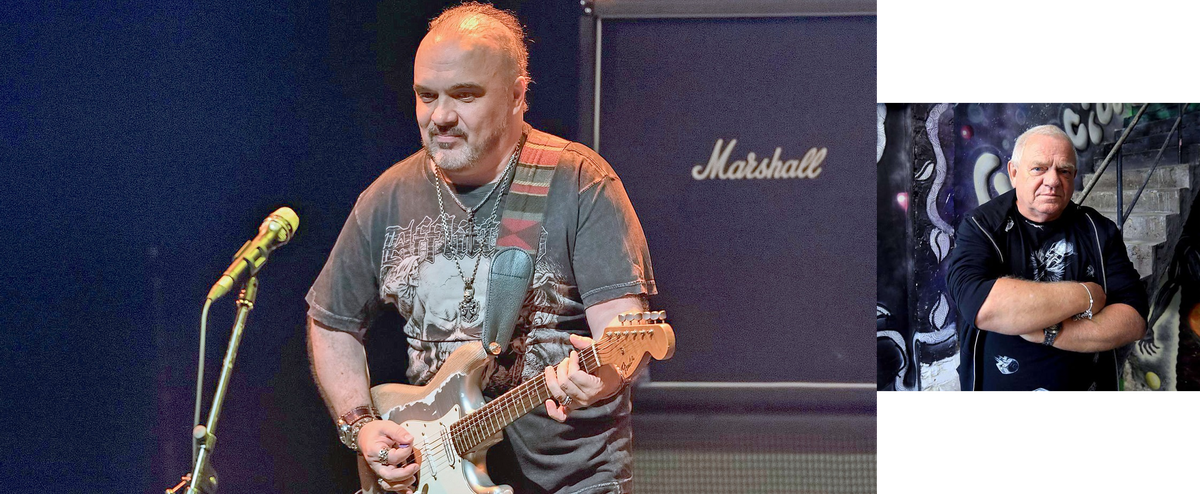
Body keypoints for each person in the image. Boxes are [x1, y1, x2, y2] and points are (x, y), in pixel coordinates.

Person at [305, 2, 656, 493]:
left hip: (568, 482)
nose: (441, 116)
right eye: (426, 96)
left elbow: (622, 336)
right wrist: (359, 424)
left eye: (464, 95)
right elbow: (332, 322)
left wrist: (601, 380)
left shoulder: (579, 183)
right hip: (435, 477)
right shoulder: (387, 197)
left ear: (516, 95)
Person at [946, 124, 1148, 394]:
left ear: (1073, 176)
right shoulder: (982, 226)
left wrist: (1048, 332)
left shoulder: (1098, 231)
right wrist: (1087, 295)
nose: (1053, 181)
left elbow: (1133, 319)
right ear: (1014, 173)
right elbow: (982, 306)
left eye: (1064, 171)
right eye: (1039, 168)